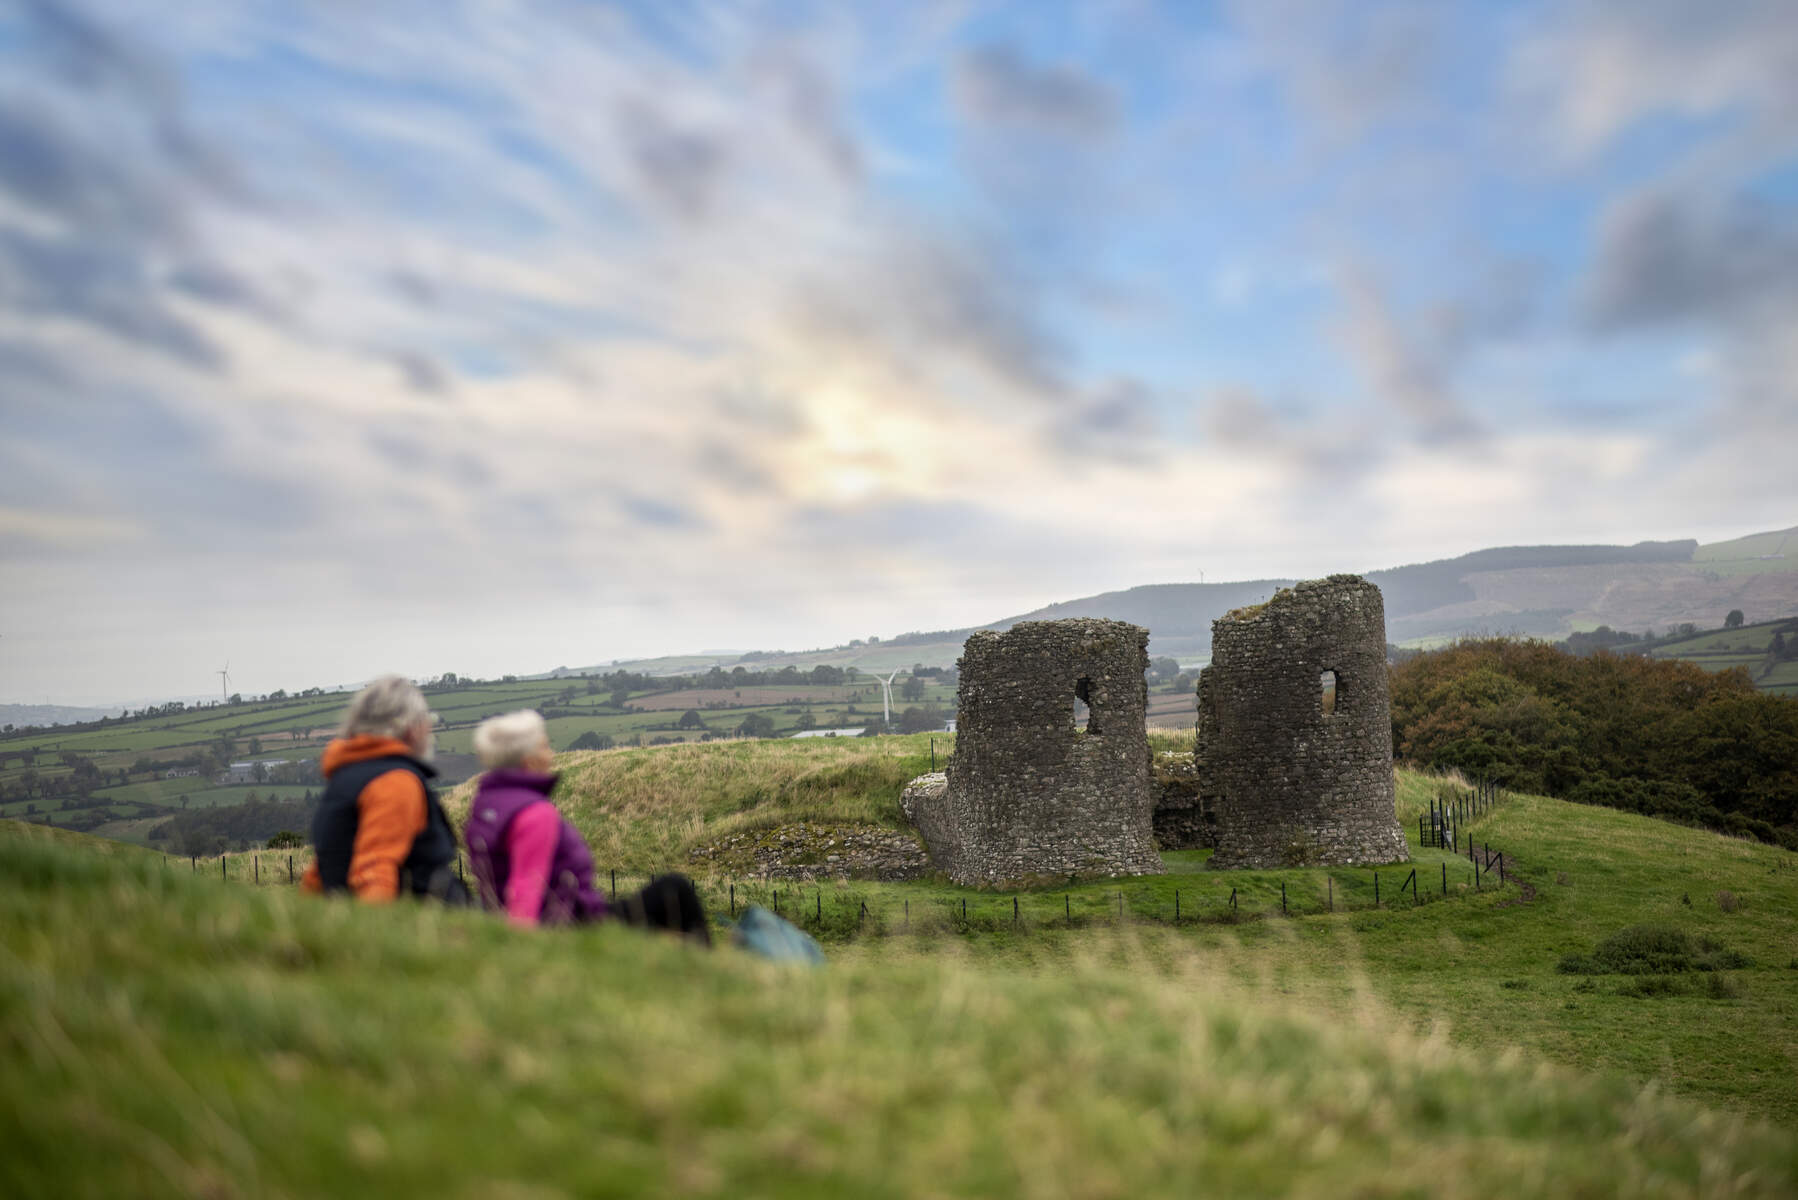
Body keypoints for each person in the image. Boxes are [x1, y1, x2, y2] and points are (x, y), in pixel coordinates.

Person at [463, 710, 710, 943]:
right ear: (529, 761)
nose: (551, 755)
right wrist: (523, 948)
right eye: (545, 747)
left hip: (542, 917)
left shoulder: (485, 805)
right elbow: (526, 886)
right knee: (676, 889)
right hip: (574, 923)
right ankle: (710, 974)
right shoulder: (535, 813)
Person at [302, 675, 468, 904]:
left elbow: (322, 869)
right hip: (427, 925)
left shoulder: (345, 778)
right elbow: (376, 867)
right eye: (426, 720)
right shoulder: (395, 782)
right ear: (410, 728)